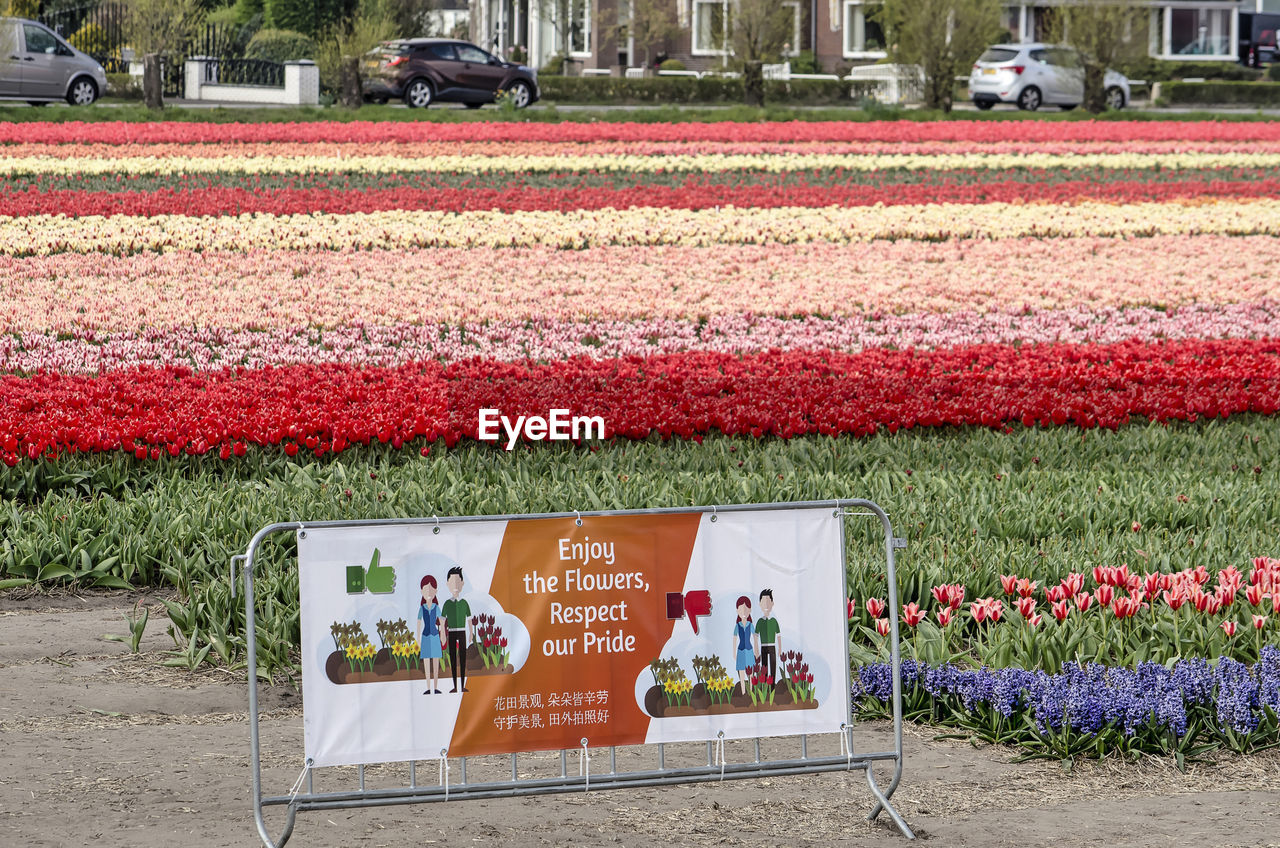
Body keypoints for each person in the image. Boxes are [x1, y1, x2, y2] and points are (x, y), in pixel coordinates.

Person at [442, 566, 473, 693]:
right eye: (452, 581)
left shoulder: (464, 603)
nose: (455, 584)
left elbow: (469, 619)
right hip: (451, 632)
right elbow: (442, 620)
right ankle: (455, 686)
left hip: (462, 632)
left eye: (457, 581)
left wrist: (471, 632)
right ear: (447, 584)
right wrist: (443, 634)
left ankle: (462, 685)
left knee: (463, 658)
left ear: (462, 583)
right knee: (453, 658)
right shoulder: (447, 604)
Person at [417, 575, 444, 695]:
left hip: (435, 636)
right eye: (425, 589)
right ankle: (428, 687)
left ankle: (436, 687)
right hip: (425, 636)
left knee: (436, 663)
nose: (428, 592)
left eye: (431, 589)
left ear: (436, 591)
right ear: (421, 591)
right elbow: (418, 623)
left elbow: (442, 623)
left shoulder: (437, 607)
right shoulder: (421, 608)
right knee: (427, 663)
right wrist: (417, 639)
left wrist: (443, 635)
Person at [755, 589, 781, 684]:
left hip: (772, 646)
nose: (766, 605)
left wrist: (780, 648)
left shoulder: (774, 621)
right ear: (760, 604)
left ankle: (772, 686)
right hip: (763, 647)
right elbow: (756, 636)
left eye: (768, 601)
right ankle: (765, 686)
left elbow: (778, 636)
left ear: (772, 603)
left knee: (773, 666)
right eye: (763, 602)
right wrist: (756, 648)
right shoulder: (760, 621)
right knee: (764, 667)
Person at [732, 595, 757, 695]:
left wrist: (756, 650)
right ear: (737, 610)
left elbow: (755, 637)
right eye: (740, 609)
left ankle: (750, 692)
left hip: (750, 650)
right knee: (741, 672)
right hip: (740, 650)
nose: (743, 611)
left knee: (750, 674)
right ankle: (743, 693)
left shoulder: (750, 625)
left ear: (750, 610)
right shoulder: (737, 626)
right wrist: (734, 653)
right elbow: (734, 639)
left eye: (746, 609)